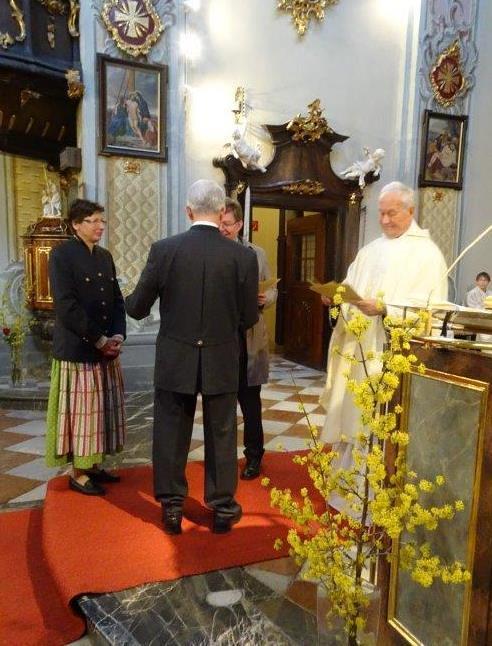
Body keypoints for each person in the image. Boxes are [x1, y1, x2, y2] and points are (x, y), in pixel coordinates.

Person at [125, 180, 259, 535]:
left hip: (176, 358)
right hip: (222, 358)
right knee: (222, 433)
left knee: (170, 432)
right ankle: (222, 509)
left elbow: (137, 308)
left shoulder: (164, 250)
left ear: (188, 211)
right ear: (221, 211)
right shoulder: (243, 257)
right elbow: (249, 317)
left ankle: (172, 508)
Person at [319, 181, 448, 500]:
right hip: (359, 350)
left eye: (392, 213)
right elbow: (350, 286)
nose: (385, 220)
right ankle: (349, 491)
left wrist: (386, 308)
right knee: (354, 417)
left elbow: (432, 309)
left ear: (410, 211)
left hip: (390, 355)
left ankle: (377, 496)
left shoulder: (427, 255)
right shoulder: (369, 251)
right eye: (381, 213)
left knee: (380, 422)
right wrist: (336, 298)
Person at [46, 199, 126, 496]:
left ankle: (92, 465)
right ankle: (78, 473)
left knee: (100, 413)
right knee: (82, 416)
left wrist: (117, 335)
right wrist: (99, 340)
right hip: (78, 351)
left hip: (105, 349)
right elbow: (66, 307)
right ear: (76, 225)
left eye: (101, 220)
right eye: (93, 221)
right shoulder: (61, 255)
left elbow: (116, 299)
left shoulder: (104, 256)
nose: (100, 226)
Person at [219, 197, 277, 480]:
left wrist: (267, 297)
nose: (223, 229)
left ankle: (254, 456)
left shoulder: (257, 253)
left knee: (251, 403)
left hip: (250, 338)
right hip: (221, 338)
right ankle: (222, 457)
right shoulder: (212, 250)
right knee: (222, 405)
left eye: (228, 224)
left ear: (240, 224)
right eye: (220, 223)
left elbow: (273, 288)